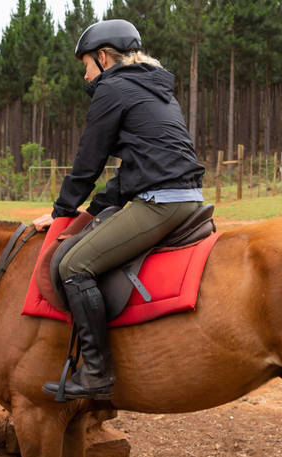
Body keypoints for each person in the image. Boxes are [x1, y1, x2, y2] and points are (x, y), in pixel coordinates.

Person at [34, 19, 205, 401]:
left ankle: (96, 373)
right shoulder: (154, 88)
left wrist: (63, 211)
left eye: (86, 65)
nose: (85, 75)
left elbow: (88, 160)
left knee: (73, 267)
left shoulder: (112, 88)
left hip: (160, 204)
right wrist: (92, 210)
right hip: (189, 198)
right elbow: (133, 171)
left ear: (104, 58)